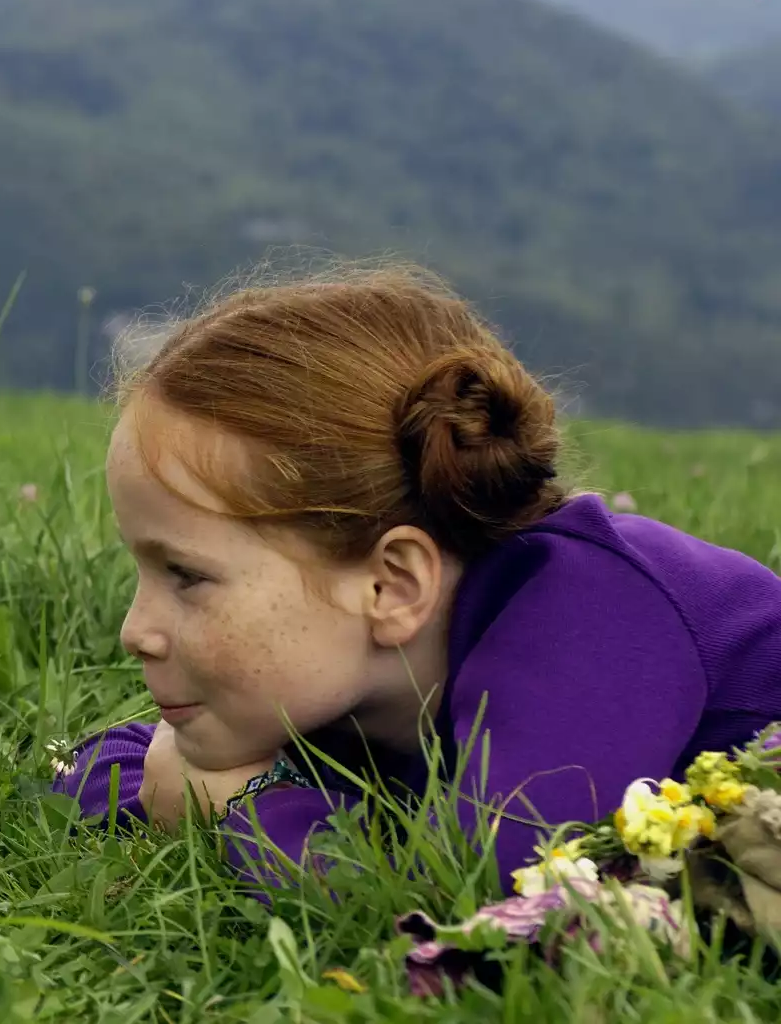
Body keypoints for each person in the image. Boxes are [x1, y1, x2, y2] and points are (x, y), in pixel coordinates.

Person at [50, 259, 781, 895]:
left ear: (391, 586)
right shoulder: (349, 677)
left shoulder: (592, 620)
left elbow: (472, 884)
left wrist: (240, 808)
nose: (135, 631)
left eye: (186, 575)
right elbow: (109, 766)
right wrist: (201, 785)